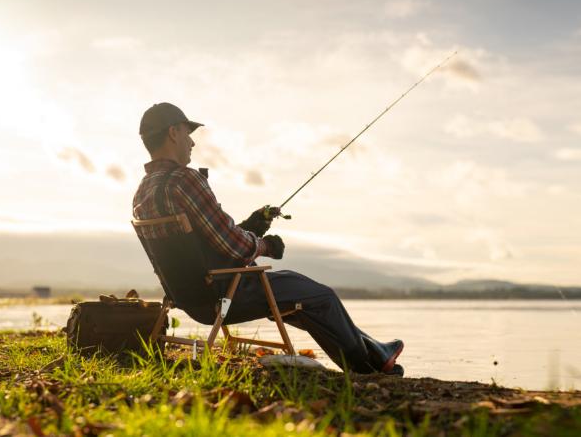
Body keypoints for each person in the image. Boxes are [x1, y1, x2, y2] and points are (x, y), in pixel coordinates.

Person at [132, 102, 403, 375]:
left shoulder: (142, 192)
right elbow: (233, 246)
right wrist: (267, 245)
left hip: (189, 298)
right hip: (226, 293)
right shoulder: (185, 180)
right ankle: (365, 368)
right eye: (188, 134)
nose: (192, 142)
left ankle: (375, 353)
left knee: (303, 302)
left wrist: (253, 225)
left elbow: (203, 244)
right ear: (173, 132)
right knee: (322, 297)